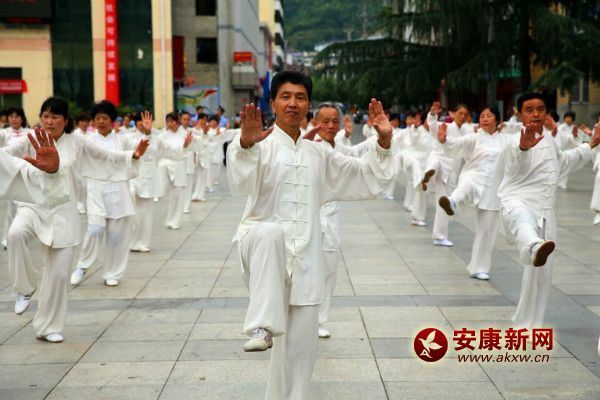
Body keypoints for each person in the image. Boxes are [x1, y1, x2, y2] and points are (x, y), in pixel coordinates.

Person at [227, 70, 394, 399]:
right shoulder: (258, 144)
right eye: (285, 96)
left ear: (308, 105)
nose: (293, 103)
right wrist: (245, 144)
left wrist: (385, 141)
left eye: (300, 97)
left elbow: (364, 176)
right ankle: (261, 324)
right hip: (262, 251)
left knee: (300, 353)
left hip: (305, 261)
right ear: (272, 103)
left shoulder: (319, 153)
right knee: (271, 231)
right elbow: (239, 182)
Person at [3, 97, 148, 342]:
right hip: (33, 206)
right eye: (45, 116)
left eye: (55, 116)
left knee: (59, 274)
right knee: (15, 234)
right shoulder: (30, 138)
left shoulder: (77, 142)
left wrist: (131, 156)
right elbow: (6, 154)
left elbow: (104, 156)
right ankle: (24, 288)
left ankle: (48, 327)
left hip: (64, 212)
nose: (49, 121)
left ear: (65, 120)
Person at [498, 93, 600, 329]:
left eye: (541, 109)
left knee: (542, 274)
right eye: (529, 110)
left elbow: (563, 161)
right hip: (517, 201)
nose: (536, 114)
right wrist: (523, 147)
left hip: (545, 211)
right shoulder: (513, 140)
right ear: (519, 114)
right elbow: (514, 158)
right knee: (523, 222)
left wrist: (592, 143)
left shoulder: (550, 141)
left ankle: (529, 324)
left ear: (546, 112)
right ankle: (533, 246)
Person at [70, 100, 149, 287]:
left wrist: (147, 133)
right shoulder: (87, 140)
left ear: (112, 120)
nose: (101, 121)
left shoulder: (122, 139)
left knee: (116, 236)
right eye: (97, 118)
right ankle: (82, 266)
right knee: (95, 228)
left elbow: (142, 148)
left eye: (105, 118)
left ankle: (112, 273)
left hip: (118, 190)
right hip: (96, 189)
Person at [436, 105, 512, 280]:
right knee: (465, 187)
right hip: (474, 176)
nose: (484, 119)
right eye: (482, 115)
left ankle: (479, 268)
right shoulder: (474, 137)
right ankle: (452, 203)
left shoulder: (506, 140)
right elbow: (457, 144)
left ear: (498, 120)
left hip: (493, 188)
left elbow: (521, 147)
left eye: (489, 115)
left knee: (486, 231)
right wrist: (444, 140)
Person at [421, 102, 473, 246]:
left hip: (450, 170)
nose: (462, 116)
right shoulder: (446, 126)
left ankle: (439, 236)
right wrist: (432, 113)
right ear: (452, 114)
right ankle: (427, 174)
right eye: (460, 113)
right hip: (439, 158)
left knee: (443, 202)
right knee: (434, 163)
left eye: (465, 114)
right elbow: (432, 125)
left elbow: (475, 139)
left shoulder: (467, 131)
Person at [0, 107, 31, 249]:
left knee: (25, 206)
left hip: (25, 171)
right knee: (10, 208)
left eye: (17, 116)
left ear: (22, 118)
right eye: (11, 116)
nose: (14, 119)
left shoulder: (29, 133)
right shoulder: (4, 133)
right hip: (10, 174)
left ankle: (23, 236)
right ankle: (7, 239)